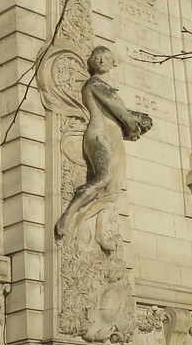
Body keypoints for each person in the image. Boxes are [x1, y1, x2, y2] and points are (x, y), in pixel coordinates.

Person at [54, 46, 152, 248]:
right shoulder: (95, 83)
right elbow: (119, 110)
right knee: (103, 177)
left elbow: (120, 112)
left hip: (115, 142)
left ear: (112, 63)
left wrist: (141, 122)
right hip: (99, 137)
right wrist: (134, 127)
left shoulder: (109, 88)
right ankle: (68, 214)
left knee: (113, 190)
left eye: (105, 57)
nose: (100, 60)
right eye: (97, 57)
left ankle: (101, 234)